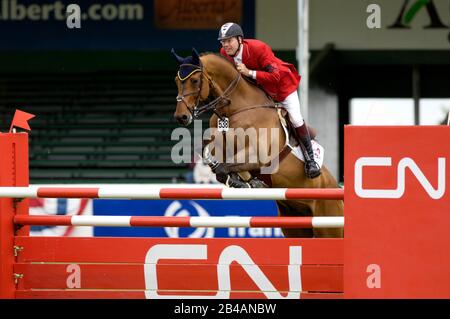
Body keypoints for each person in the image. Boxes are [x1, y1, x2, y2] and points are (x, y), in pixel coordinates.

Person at [217, 22, 321, 179]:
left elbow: (275, 76)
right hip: (260, 90)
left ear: (239, 39)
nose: (226, 45)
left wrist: (249, 72)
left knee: (295, 118)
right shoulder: (223, 55)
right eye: (223, 42)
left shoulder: (258, 48)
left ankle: (311, 160)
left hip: (282, 87)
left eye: (229, 40)